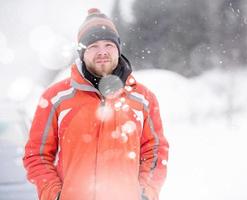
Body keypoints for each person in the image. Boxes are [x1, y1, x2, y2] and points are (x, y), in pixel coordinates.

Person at [23, 8, 169, 200]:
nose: (102, 52)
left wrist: (145, 193)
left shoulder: (143, 98)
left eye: (108, 44)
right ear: (82, 52)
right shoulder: (56, 98)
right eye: (93, 46)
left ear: (118, 48)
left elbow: (155, 151)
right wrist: (55, 195)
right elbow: (37, 156)